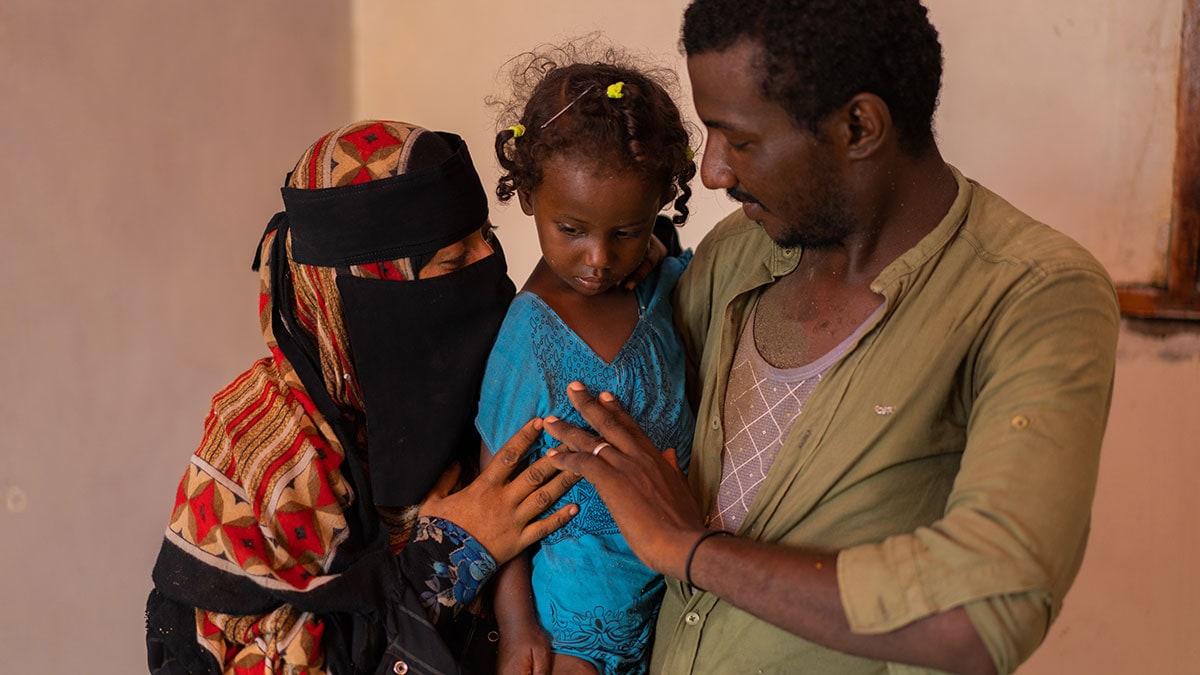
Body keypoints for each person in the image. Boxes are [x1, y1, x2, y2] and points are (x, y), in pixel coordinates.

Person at [542, 2, 1122, 674]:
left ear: (859, 126)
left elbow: (981, 616)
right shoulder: (738, 255)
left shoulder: (1031, 294)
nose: (713, 172)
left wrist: (692, 550)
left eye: (741, 140)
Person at [145, 120, 583, 675]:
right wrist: (451, 553)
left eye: (486, 237)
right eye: (451, 263)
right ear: (360, 294)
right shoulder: (262, 453)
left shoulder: (498, 381)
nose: (490, 267)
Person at [474, 46, 697, 675]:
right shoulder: (528, 336)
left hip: (680, 596)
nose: (598, 258)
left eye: (624, 232)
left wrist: (656, 252)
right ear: (528, 200)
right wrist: (517, 624)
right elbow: (499, 494)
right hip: (574, 621)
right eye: (572, 229)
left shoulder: (663, 286)